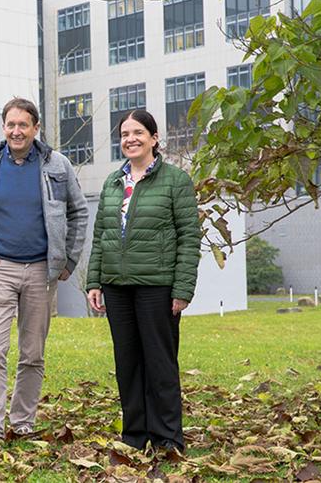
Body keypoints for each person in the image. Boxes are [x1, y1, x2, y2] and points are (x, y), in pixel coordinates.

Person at [0, 97, 89, 446]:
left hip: (42, 272)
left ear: (35, 128)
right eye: (10, 125)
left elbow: (79, 214)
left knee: (32, 353)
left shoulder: (56, 165)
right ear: (3, 128)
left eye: (23, 125)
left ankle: (23, 422)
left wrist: (68, 261)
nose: (16, 131)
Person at [85, 109, 200, 454]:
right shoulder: (112, 182)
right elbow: (101, 235)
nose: (130, 139)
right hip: (116, 286)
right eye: (124, 134)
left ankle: (167, 438)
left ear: (154, 138)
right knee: (127, 363)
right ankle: (134, 437)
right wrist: (94, 281)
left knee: (160, 363)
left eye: (137, 132)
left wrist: (182, 289)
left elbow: (189, 237)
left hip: (157, 286)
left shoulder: (175, 181)